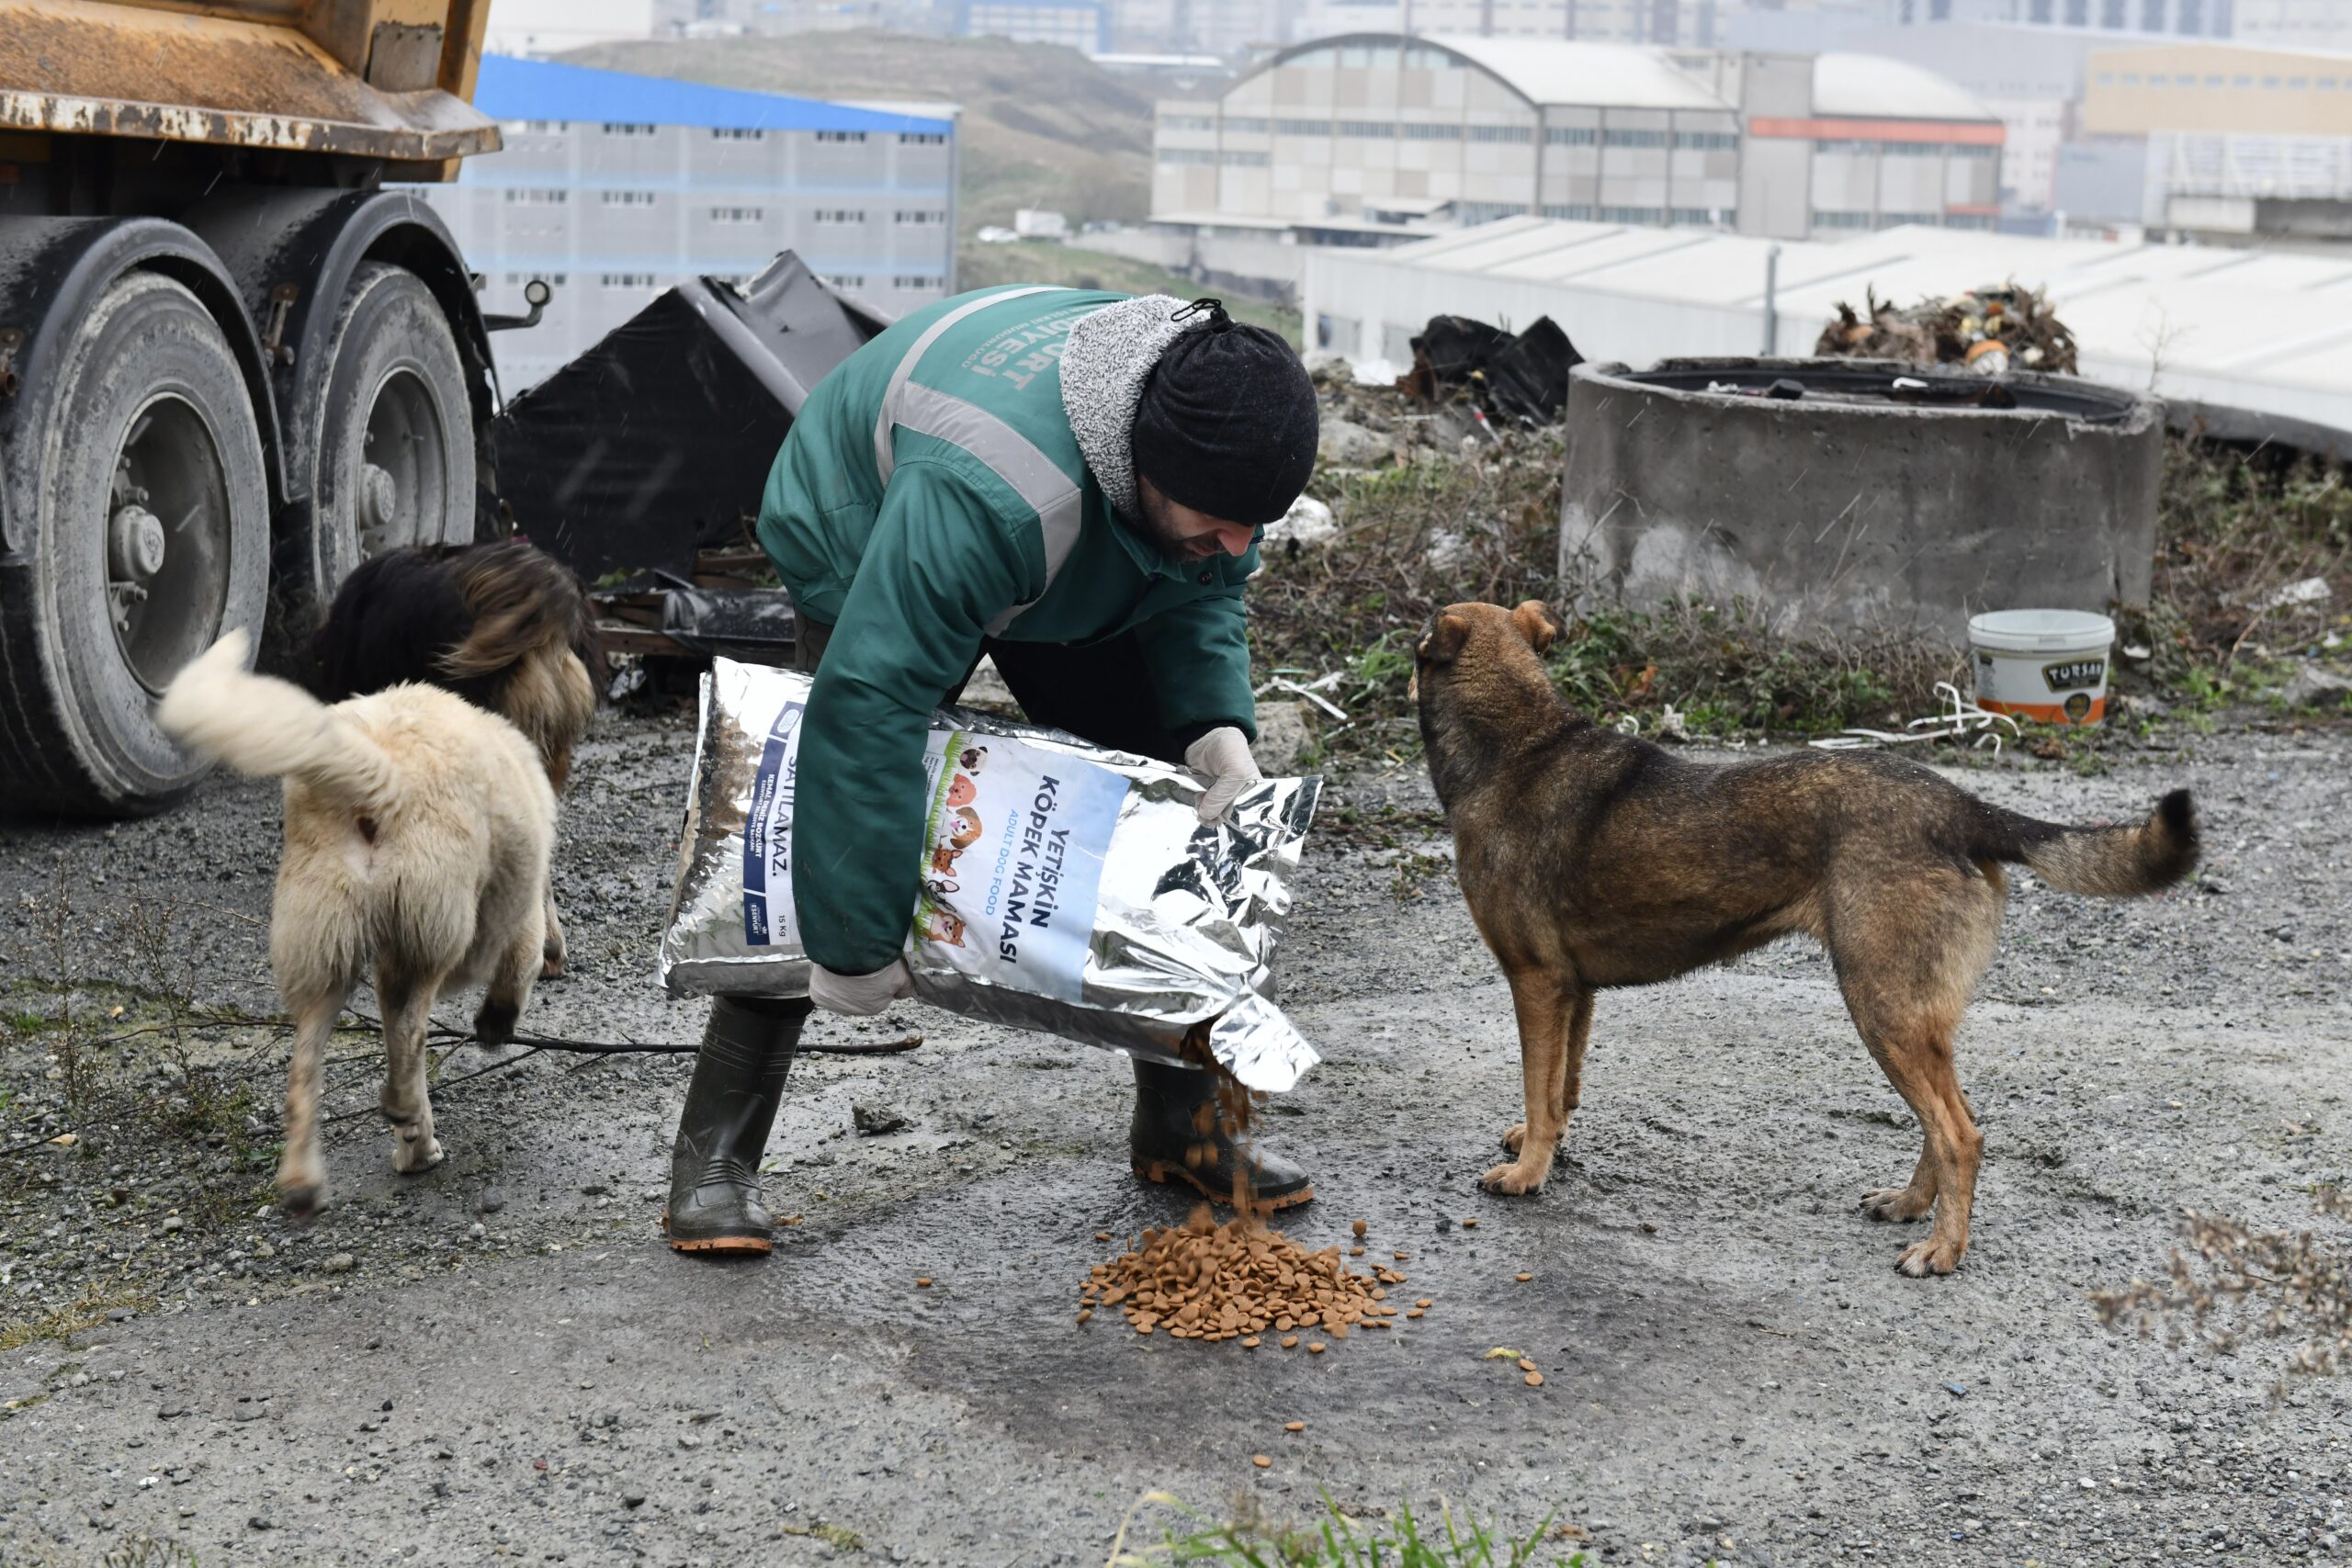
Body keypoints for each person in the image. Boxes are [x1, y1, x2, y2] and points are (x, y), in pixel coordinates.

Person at [664, 289, 1322, 1256]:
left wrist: (1214, 724)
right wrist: (851, 944)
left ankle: (1184, 1126)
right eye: (1222, 519)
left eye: (1251, 524)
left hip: (1062, 540)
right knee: (807, 832)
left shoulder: (1205, 435)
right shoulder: (992, 497)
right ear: (1144, 466)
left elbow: (1201, 580)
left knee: (1162, 819)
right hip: (864, 519)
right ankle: (715, 1159)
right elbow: (869, 710)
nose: (1239, 542)